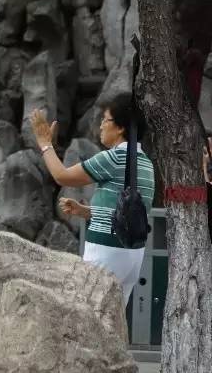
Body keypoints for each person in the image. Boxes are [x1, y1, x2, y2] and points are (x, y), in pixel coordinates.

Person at [32, 95, 156, 307]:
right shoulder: (145, 163)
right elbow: (130, 211)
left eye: (104, 120)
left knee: (88, 317)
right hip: (132, 254)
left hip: (106, 252)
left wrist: (45, 145)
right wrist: (87, 211)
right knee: (113, 322)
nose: (100, 126)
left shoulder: (115, 157)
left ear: (119, 128)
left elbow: (62, 176)